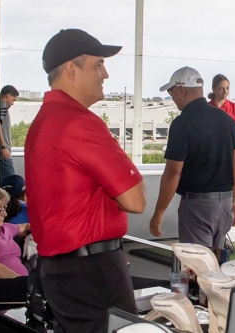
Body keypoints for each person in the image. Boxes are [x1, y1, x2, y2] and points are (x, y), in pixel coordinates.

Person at [25, 29, 145, 333]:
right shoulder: (78, 121)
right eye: (98, 64)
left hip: (59, 270)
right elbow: (135, 200)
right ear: (71, 69)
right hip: (92, 272)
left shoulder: (43, 121)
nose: (105, 74)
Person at [149, 66, 235, 249]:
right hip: (225, 204)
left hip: (199, 206)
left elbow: (173, 172)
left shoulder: (182, 123)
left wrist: (159, 212)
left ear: (181, 89)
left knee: (198, 268)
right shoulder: (227, 120)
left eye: (171, 91)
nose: (172, 97)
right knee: (216, 268)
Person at [208, 74, 235, 178]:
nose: (225, 92)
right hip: (210, 155)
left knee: (231, 185)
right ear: (213, 89)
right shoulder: (207, 108)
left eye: (227, 88)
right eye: (221, 89)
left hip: (231, 154)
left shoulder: (234, 107)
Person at [0, 85, 19, 183]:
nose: (12, 103)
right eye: (13, 100)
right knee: (13, 183)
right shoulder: (2, 105)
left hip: (1, 153)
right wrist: (4, 147)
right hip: (3, 154)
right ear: (8, 96)